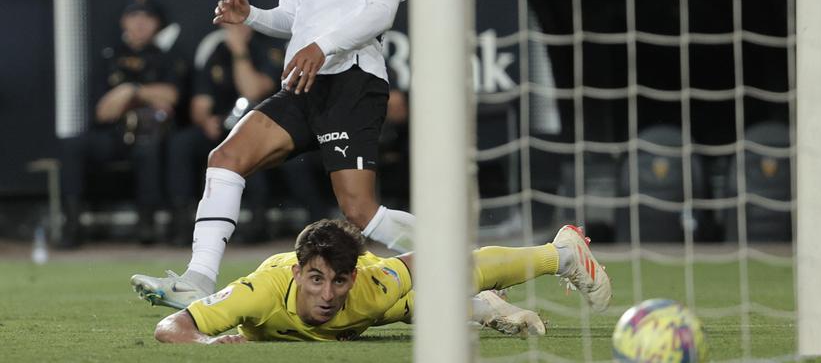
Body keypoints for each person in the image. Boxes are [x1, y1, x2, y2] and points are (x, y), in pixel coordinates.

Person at [131, 0, 418, 309]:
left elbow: (381, 12)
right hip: (303, 82)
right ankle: (199, 278)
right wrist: (251, 17)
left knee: (360, 212)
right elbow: (290, 17)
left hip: (353, 79)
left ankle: (457, 259)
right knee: (225, 158)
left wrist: (323, 47)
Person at [148, 219, 612, 343]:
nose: (327, 295)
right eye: (315, 280)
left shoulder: (370, 284)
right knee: (418, 310)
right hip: (374, 315)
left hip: (378, 307)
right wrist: (207, 345)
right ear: (296, 272)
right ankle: (484, 308)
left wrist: (554, 258)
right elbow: (172, 328)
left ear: (352, 276)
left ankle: (564, 252)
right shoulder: (259, 292)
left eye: (337, 282)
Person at [59, 0, 181, 247]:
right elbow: (103, 111)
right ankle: (71, 223)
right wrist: (147, 95)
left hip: (149, 134)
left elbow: (171, 97)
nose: (140, 23)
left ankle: (146, 224)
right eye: (134, 16)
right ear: (124, 21)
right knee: (73, 145)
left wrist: (131, 91)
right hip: (112, 134)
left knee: (150, 150)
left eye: (147, 17)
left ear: (157, 23)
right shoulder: (108, 56)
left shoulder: (166, 57)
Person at [165, 23, 285, 244]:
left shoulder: (266, 51)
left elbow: (253, 90)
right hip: (220, 127)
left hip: (256, 128)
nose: (234, 31)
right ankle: (181, 223)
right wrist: (206, 120)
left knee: (249, 150)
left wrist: (239, 53)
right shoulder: (216, 52)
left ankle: (257, 224)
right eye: (229, 26)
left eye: (239, 24)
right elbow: (199, 104)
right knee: (182, 144)